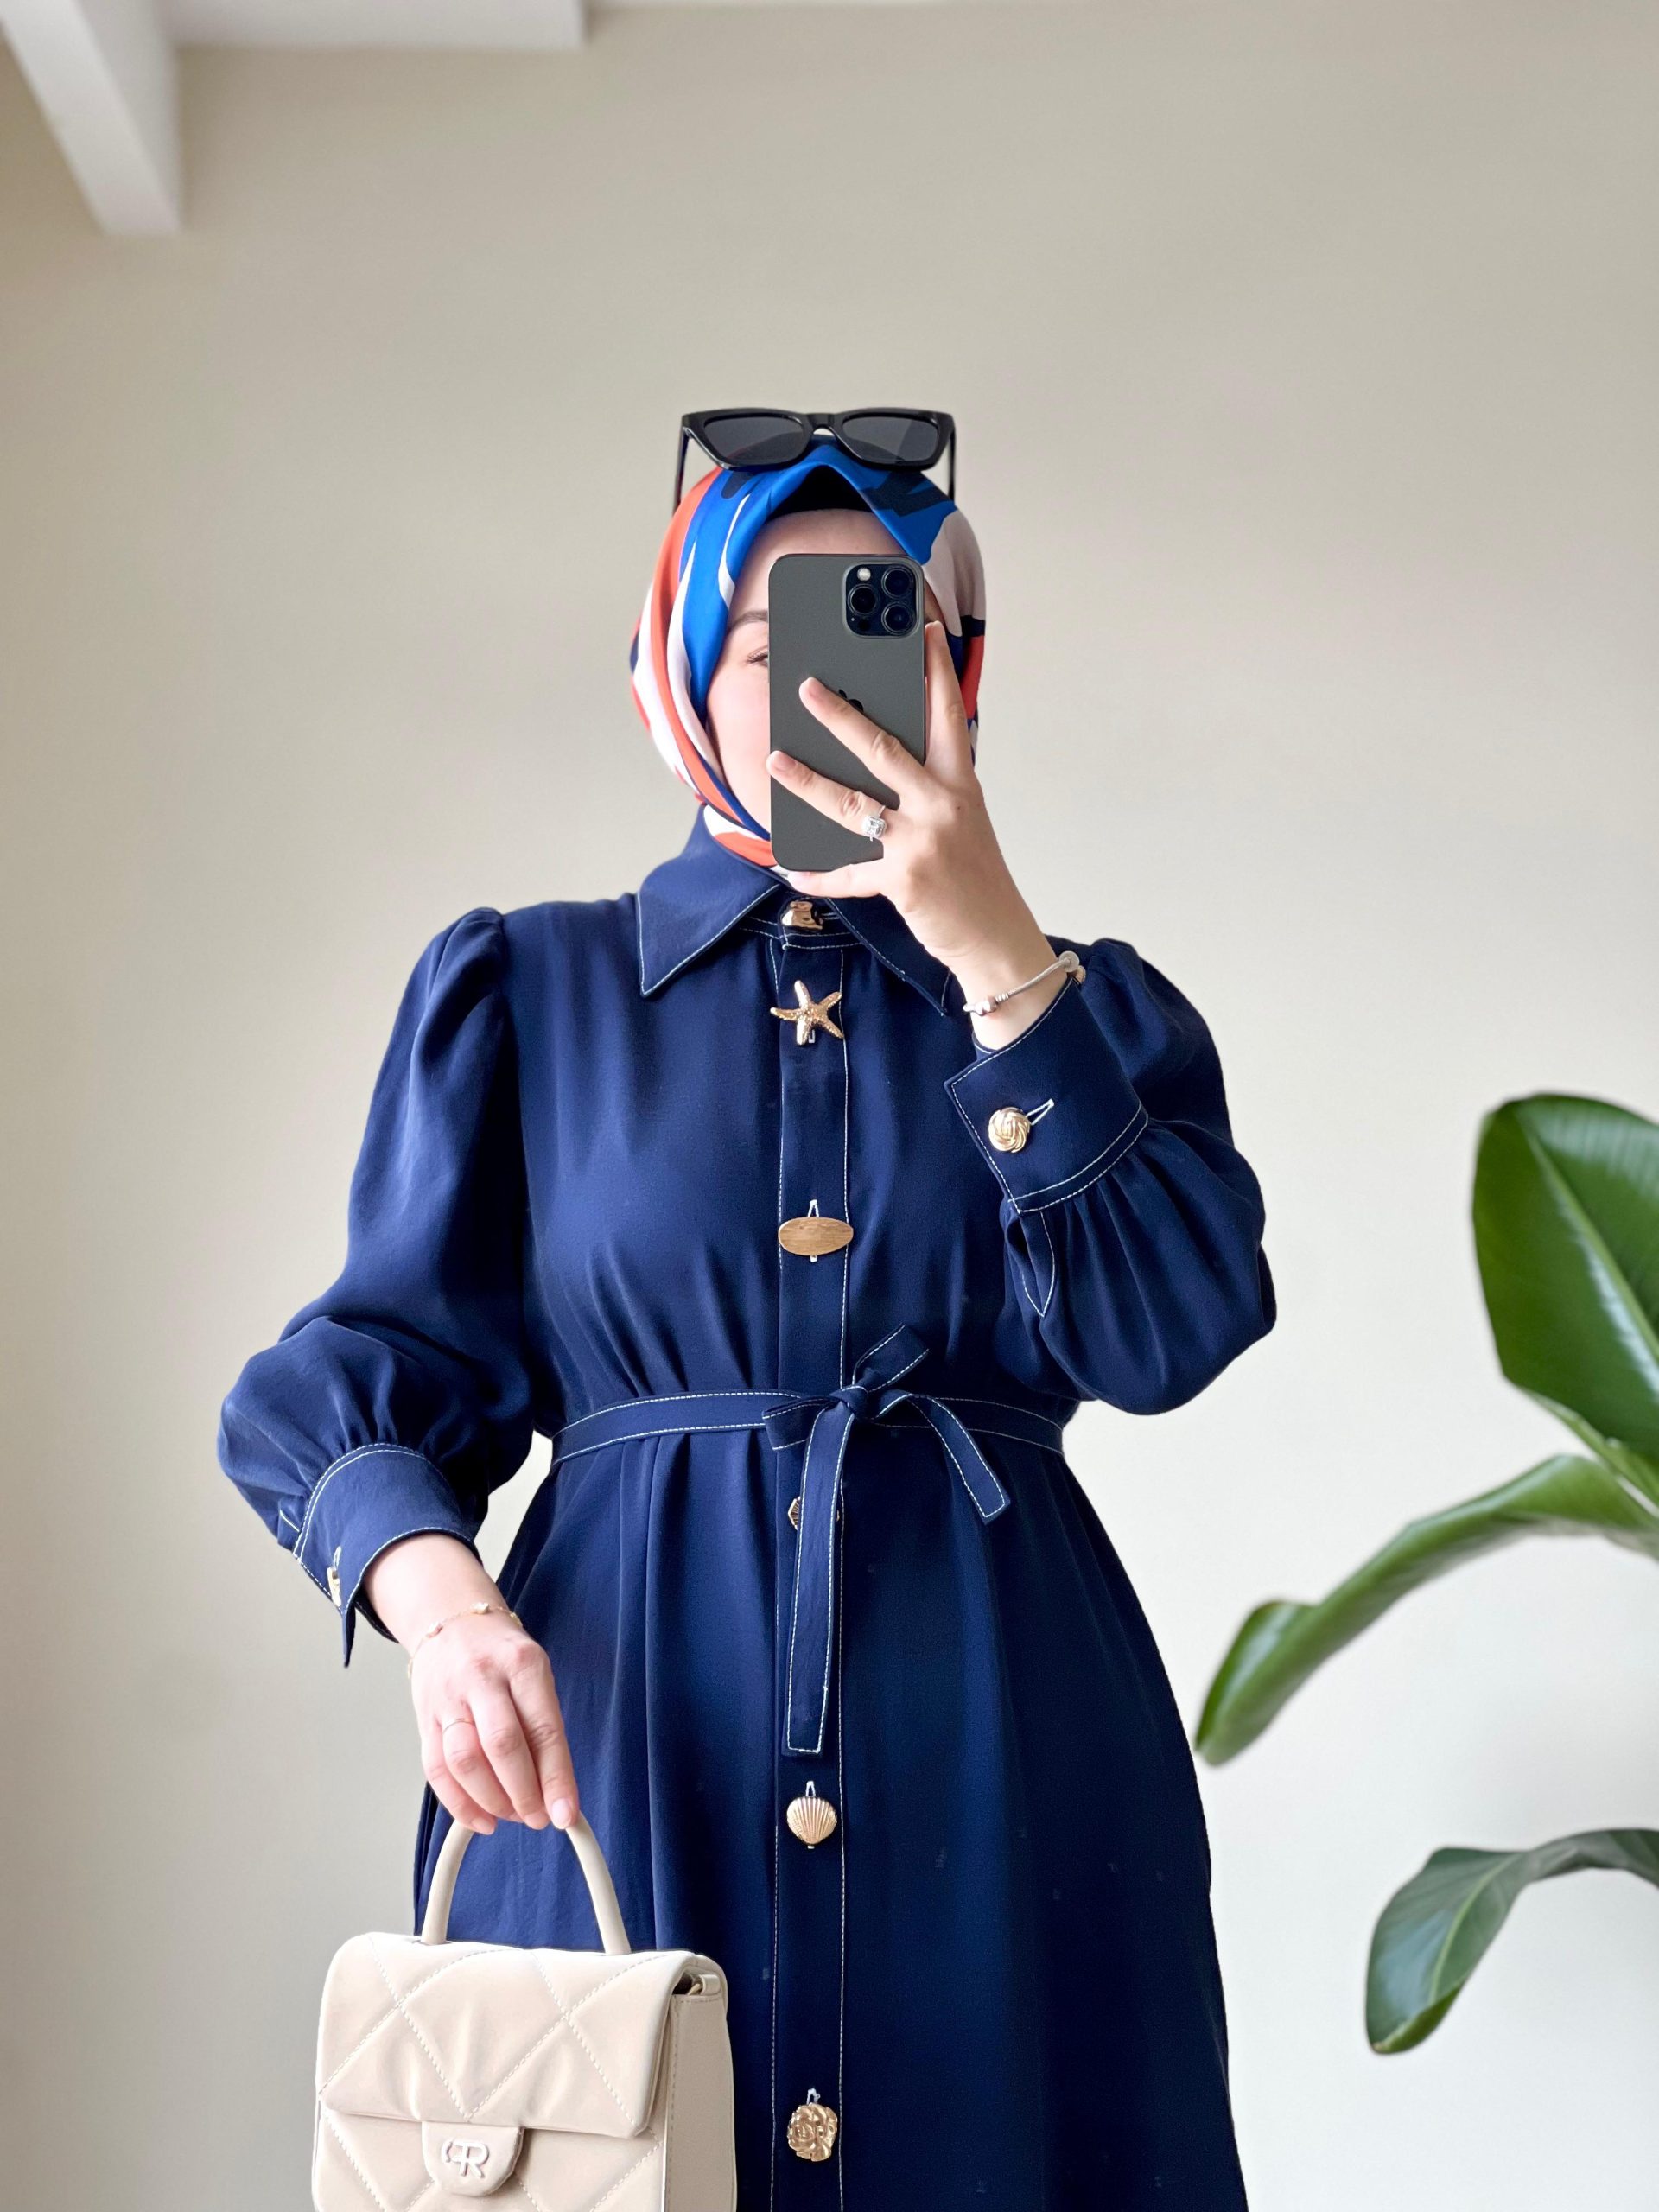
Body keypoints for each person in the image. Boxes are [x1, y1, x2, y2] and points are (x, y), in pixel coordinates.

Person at [218, 438, 1275, 2208]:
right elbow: (351, 1382)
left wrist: (997, 956)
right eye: (779, 645)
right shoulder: (530, 991)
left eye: (893, 636)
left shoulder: (1090, 1015)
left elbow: (1171, 1327)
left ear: (964, 679)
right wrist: (441, 1607)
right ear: (680, 664)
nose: (837, 692)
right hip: (628, 1742)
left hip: (1006, 1753)